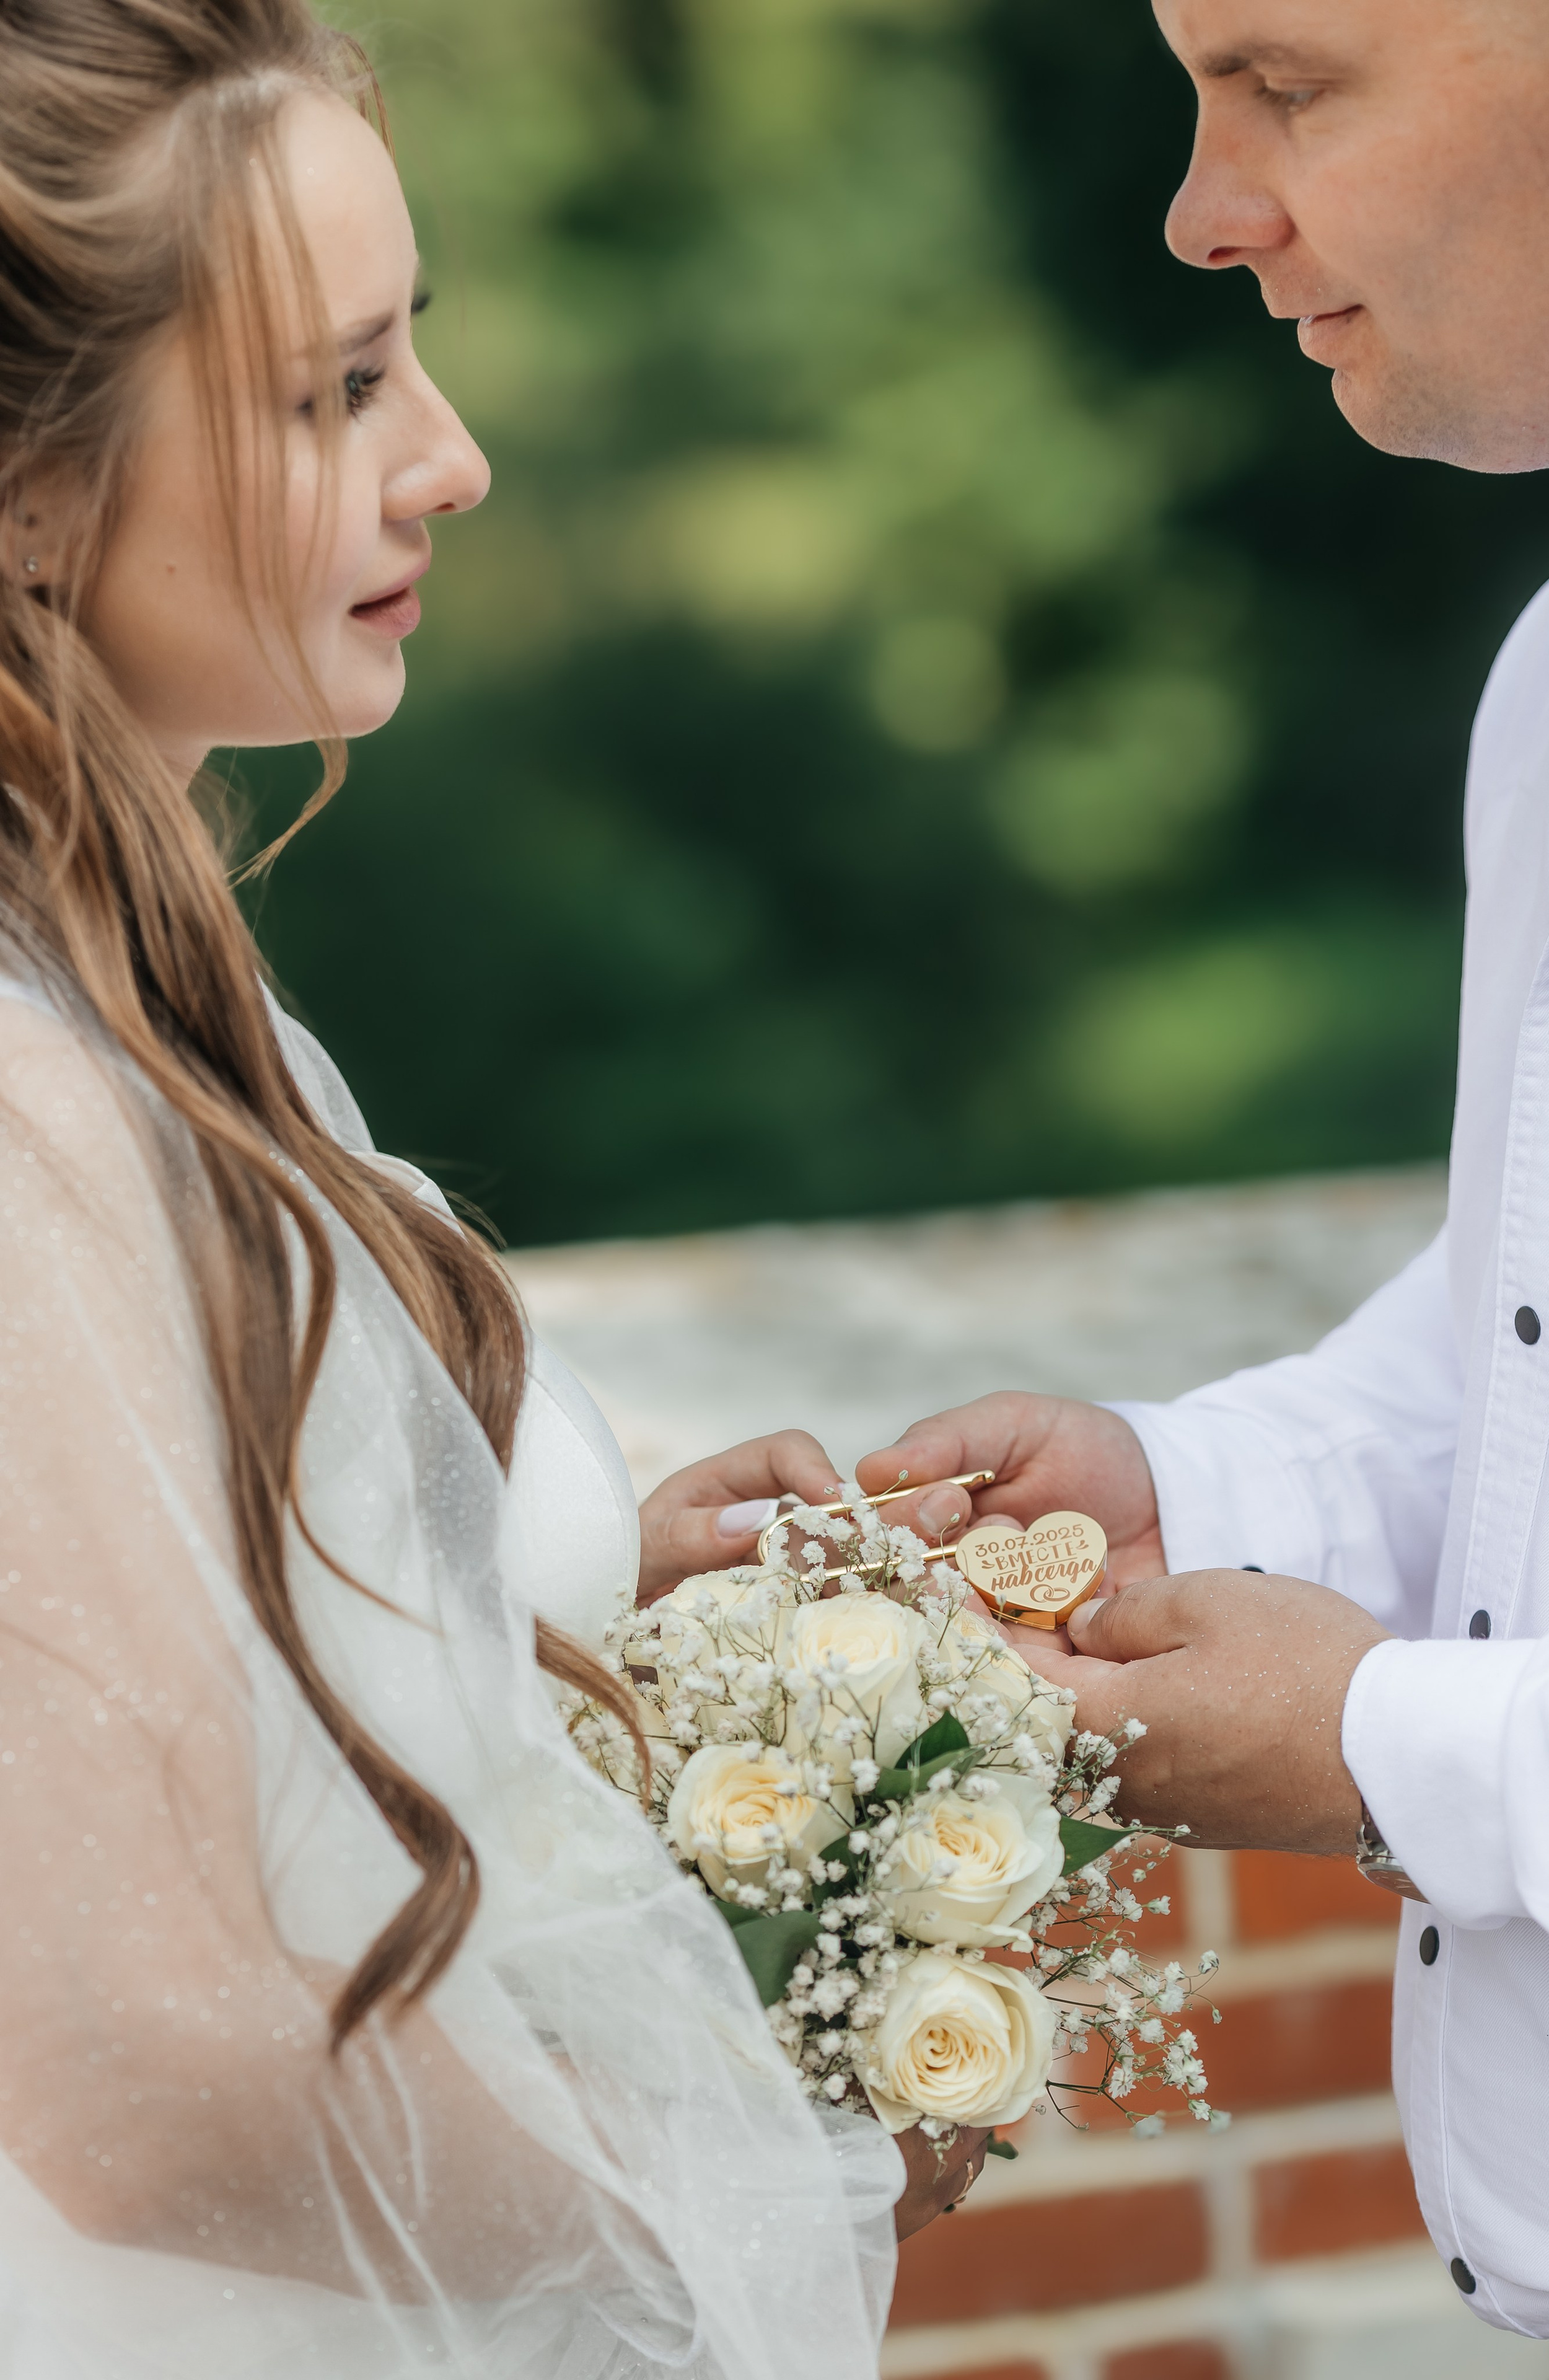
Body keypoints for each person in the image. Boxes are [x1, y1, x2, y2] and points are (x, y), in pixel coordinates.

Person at [0, 0, 980, 2367]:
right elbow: (152, 2070)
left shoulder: (130, 997)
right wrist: (750, 2194)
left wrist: (530, 1598)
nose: (450, 459)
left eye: (410, 350)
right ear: (28, 493)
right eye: (335, 393)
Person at [822, 0, 1549, 2360]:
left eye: (1287, 82)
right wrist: (1184, 1493)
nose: (1200, 207)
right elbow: (1522, 1350)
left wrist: (1376, 1747)